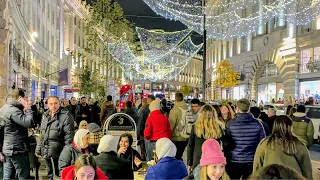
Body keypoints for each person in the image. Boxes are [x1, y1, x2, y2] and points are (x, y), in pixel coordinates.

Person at [225, 98, 265, 179]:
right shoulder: (258, 124)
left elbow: (227, 143)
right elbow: (263, 142)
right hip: (252, 160)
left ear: (238, 109)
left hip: (235, 159)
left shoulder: (230, 124)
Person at [35, 96, 75, 180]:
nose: (53, 106)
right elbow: (42, 133)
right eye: (51, 104)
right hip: (46, 151)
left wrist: (66, 154)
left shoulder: (66, 116)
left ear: (59, 103)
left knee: (59, 174)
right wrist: (38, 149)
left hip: (59, 152)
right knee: (49, 175)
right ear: (48, 105)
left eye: (56, 103)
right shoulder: (45, 115)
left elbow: (69, 137)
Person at [0, 88, 34, 179]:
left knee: (7, 176)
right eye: (25, 98)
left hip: (7, 148)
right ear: (20, 98)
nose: (26, 100)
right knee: (23, 176)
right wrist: (28, 109)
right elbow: (28, 123)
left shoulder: (4, 108)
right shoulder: (14, 110)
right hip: (17, 149)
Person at [187, 105, 225, 171]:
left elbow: (190, 145)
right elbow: (226, 143)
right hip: (214, 158)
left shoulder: (195, 127)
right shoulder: (219, 126)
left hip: (198, 158)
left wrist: (189, 163)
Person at [169, 92, 189, 160]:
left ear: (175, 99)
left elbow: (171, 125)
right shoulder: (188, 109)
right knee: (179, 155)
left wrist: (168, 135)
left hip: (176, 137)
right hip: (186, 136)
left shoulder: (174, 110)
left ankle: (179, 169)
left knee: (175, 157)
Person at [137, 95, 155, 161]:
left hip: (146, 134)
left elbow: (141, 123)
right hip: (156, 136)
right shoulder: (159, 110)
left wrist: (138, 135)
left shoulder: (144, 110)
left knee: (147, 152)